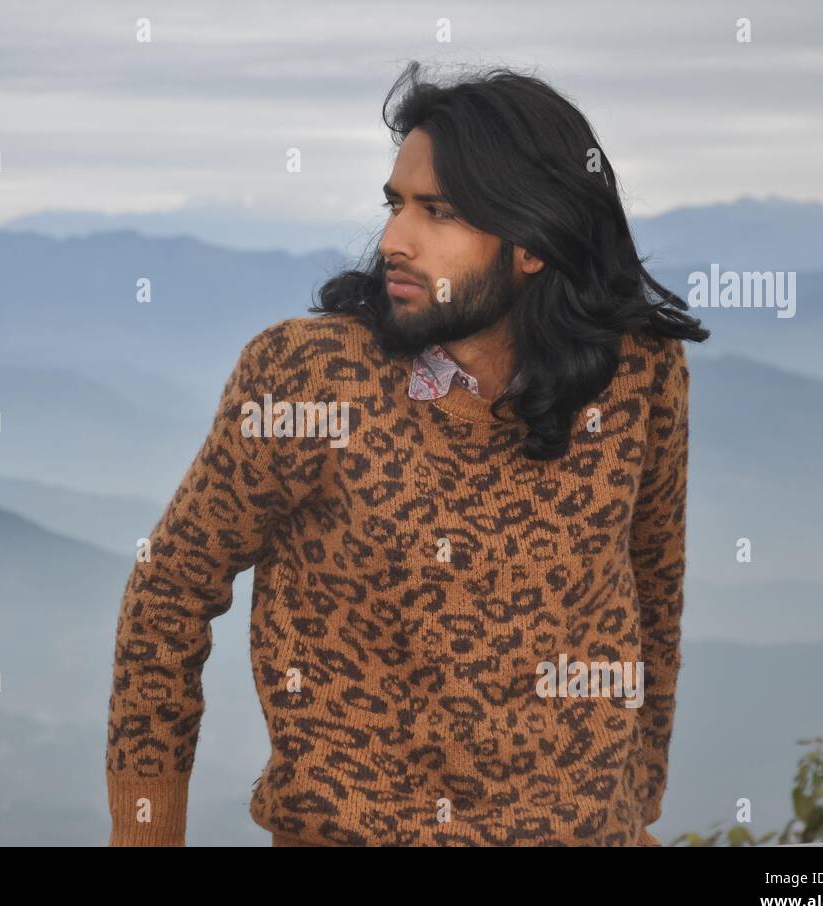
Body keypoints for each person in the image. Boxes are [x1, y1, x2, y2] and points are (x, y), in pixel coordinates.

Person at [105, 60, 709, 846]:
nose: (395, 239)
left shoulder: (638, 370)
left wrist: (636, 800)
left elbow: (652, 584)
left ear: (531, 242)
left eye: (440, 211)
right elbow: (169, 591)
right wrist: (146, 831)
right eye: (396, 205)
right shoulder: (310, 380)